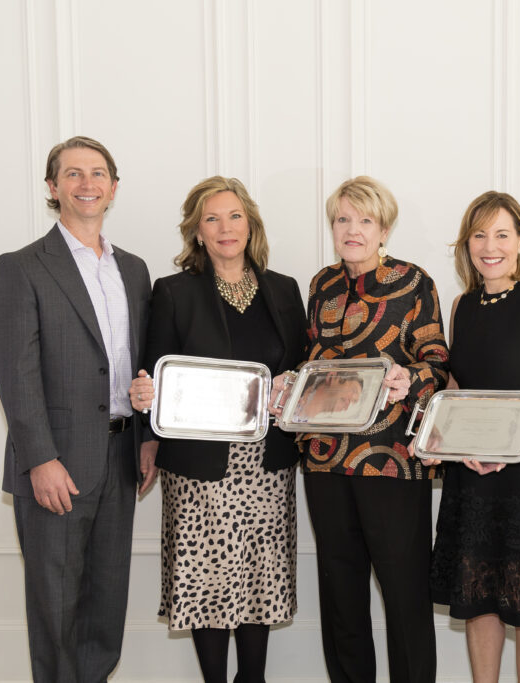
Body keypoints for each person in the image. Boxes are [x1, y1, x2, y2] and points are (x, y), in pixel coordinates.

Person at [128, 176, 308, 683]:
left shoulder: (284, 290)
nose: (225, 227)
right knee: (207, 583)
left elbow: (300, 368)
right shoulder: (174, 292)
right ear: (197, 232)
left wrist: (292, 383)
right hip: (200, 466)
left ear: (250, 224)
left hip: (267, 465)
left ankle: (254, 679)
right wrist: (146, 426)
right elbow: (153, 374)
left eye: (234, 216)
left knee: (257, 579)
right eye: (212, 218)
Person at [0, 136, 151, 682]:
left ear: (113, 187)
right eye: (74, 173)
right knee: (56, 610)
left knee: (105, 606)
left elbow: (136, 366)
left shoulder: (133, 270)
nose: (88, 183)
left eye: (99, 173)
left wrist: (147, 438)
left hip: (121, 456)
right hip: (58, 463)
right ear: (53, 186)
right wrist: (40, 459)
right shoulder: (21, 267)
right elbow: (15, 372)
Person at [290, 176, 448, 683]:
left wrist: (412, 378)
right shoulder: (320, 285)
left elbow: (438, 361)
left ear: (383, 229)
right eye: (342, 219)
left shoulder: (414, 282)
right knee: (342, 597)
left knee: (405, 596)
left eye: (364, 220)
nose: (352, 230)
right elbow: (311, 363)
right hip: (324, 460)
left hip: (393, 459)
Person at [430, 191, 520, 683]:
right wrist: (453, 443)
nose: (489, 246)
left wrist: (508, 448)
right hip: (471, 473)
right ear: (466, 244)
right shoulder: (461, 305)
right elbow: (456, 388)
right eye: (478, 235)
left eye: (501, 235)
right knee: (478, 602)